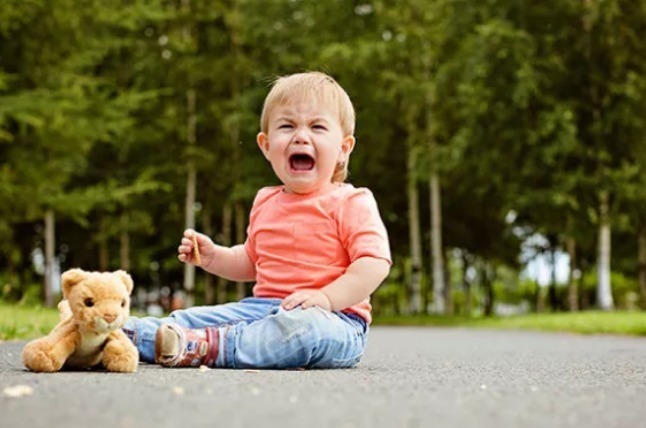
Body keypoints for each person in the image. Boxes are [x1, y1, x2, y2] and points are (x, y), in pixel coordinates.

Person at [123, 71, 391, 369]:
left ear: (343, 148)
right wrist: (214, 257)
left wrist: (326, 298)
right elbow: (251, 261)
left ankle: (208, 346)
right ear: (266, 145)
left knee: (304, 330)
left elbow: (374, 263)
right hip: (260, 310)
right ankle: (115, 335)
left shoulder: (351, 201)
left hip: (335, 320)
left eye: (317, 127)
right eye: (287, 126)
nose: (301, 135)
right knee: (190, 317)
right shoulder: (265, 201)